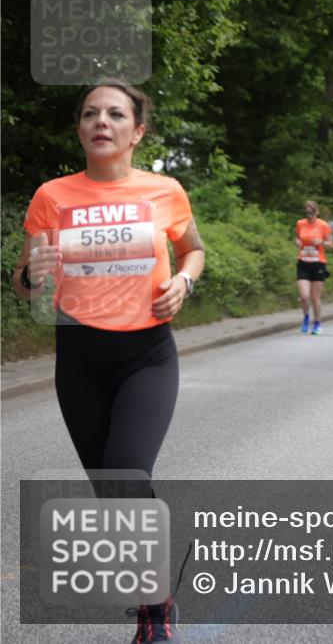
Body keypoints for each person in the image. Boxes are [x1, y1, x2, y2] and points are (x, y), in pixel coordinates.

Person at [12, 79, 205, 643]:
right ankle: (155, 597)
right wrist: (31, 276)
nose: (102, 121)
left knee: (126, 472)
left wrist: (185, 282)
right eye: (91, 113)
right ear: (79, 129)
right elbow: (23, 283)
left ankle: (156, 614)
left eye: (116, 114)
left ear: (137, 132)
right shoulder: (52, 196)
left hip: (147, 355)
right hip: (79, 359)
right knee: (112, 493)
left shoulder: (165, 191)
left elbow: (193, 250)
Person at [295, 200, 333, 334]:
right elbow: (297, 238)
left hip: (318, 263)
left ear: (317, 212)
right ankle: (306, 317)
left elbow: (331, 244)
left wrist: (321, 242)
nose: (309, 215)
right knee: (304, 296)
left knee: (315, 297)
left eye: (312, 212)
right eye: (307, 212)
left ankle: (317, 323)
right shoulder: (300, 223)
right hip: (303, 262)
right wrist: (297, 242)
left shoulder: (323, 225)